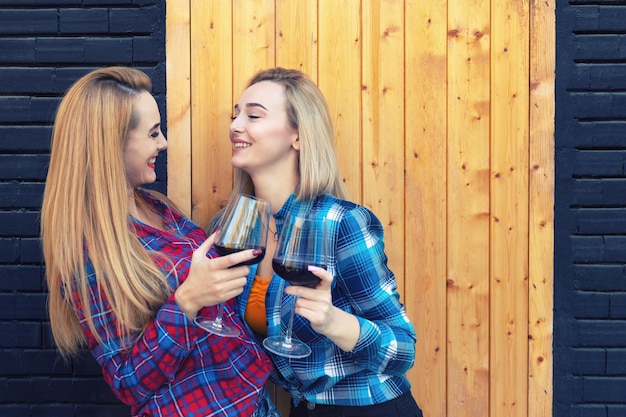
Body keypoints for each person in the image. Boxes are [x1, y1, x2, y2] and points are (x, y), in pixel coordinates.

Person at [40, 66, 279, 417]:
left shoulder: (158, 207)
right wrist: (186, 301)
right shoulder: (87, 251)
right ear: (111, 144)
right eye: (152, 133)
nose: (163, 143)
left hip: (252, 401)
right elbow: (129, 384)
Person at [225, 67, 424, 417]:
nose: (236, 125)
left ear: (298, 136)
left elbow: (403, 351)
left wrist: (333, 322)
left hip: (369, 409)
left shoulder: (341, 223)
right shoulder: (236, 229)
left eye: (253, 115)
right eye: (235, 114)